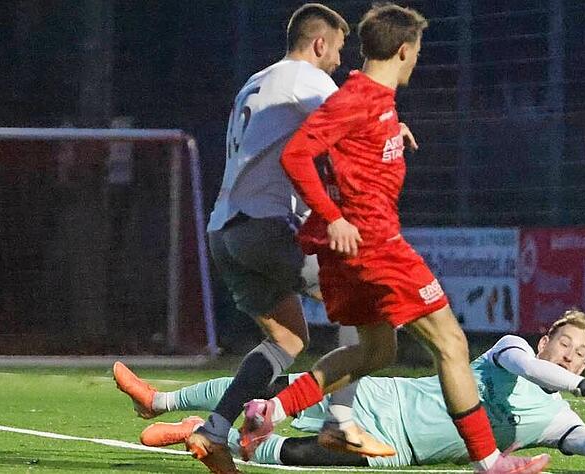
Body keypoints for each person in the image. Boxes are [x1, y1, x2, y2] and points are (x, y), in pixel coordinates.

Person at [236, 4, 550, 473]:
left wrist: (388, 132)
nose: (418, 60)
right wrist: (333, 217)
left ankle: (272, 410)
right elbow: (298, 154)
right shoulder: (357, 99)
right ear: (404, 50)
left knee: (377, 351)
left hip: (357, 254)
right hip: (376, 247)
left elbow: (349, 140)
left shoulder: (374, 103)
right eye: (418, 52)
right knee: (451, 344)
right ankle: (490, 462)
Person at [111, 5, 395, 474]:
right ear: (319, 44)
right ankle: (341, 419)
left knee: (288, 338)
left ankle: (214, 429)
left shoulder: (256, 81)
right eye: (338, 51)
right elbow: (350, 134)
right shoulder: (311, 82)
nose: (339, 63)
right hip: (266, 226)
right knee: (363, 297)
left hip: (224, 232)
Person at [120, 310, 585, 471]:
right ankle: (163, 400)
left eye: (579, 351)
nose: (570, 354)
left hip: (400, 453)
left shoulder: (556, 420)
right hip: (387, 401)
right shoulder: (512, 351)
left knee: (297, 456)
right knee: (281, 383)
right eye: (565, 343)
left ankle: (198, 432)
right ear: (546, 338)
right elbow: (545, 375)